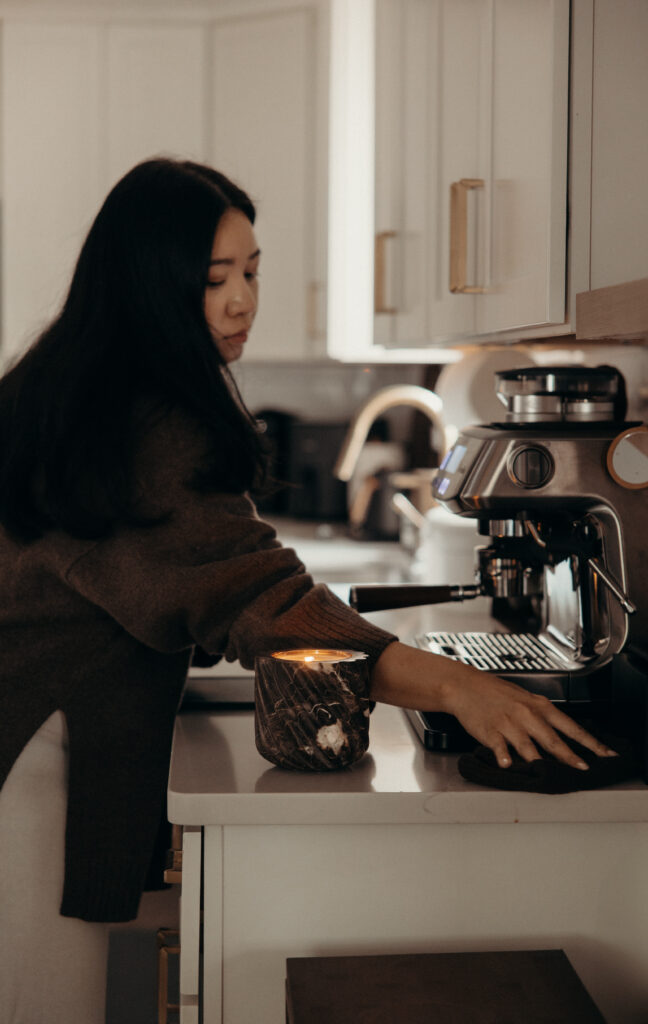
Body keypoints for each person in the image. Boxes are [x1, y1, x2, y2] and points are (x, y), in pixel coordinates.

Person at [0, 158, 616, 1023]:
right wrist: (457, 688)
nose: (241, 301)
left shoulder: (84, 386)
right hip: (29, 759)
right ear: (146, 284)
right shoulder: (142, 423)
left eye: (251, 272)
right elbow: (263, 602)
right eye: (213, 278)